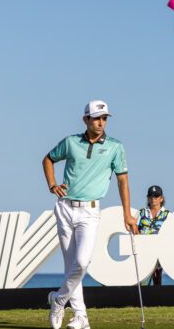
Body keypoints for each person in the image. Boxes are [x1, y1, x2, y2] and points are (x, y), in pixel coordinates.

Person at [43, 99, 135, 329]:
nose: (101, 122)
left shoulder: (115, 146)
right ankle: (81, 317)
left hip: (90, 211)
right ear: (86, 119)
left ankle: (58, 300)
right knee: (71, 265)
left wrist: (127, 214)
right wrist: (52, 184)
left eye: (104, 118)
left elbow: (122, 180)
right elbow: (48, 159)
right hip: (65, 207)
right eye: (96, 118)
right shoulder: (71, 142)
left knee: (82, 263)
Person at [137, 184, 169, 286]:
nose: (153, 199)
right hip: (143, 250)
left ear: (161, 198)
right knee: (143, 279)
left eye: (156, 196)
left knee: (157, 276)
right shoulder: (141, 213)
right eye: (151, 196)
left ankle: (158, 299)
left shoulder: (168, 215)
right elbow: (135, 229)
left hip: (159, 250)